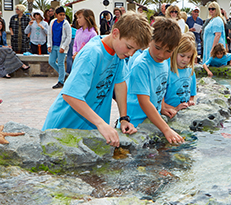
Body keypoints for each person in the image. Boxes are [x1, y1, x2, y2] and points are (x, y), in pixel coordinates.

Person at [43, 11, 152, 145]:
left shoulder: (118, 54)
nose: (130, 54)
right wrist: (101, 123)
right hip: (63, 128)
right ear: (116, 33)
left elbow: (120, 84)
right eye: (129, 47)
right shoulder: (92, 53)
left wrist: (124, 118)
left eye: (135, 50)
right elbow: (70, 95)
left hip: (90, 130)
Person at [126, 17, 184, 144]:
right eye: (157, 48)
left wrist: (162, 107)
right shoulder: (141, 65)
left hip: (153, 120)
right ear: (150, 41)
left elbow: (161, 87)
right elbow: (144, 102)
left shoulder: (164, 62)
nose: (161, 55)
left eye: (168, 51)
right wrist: (166, 129)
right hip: (136, 123)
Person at [164, 34, 198, 113]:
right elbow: (159, 102)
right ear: (175, 52)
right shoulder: (167, 71)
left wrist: (190, 101)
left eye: (189, 57)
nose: (185, 60)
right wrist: (174, 108)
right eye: (182, 56)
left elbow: (192, 94)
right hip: (169, 112)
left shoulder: (191, 72)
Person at [47, 6, 72, 89]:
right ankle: (64, 74)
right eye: (60, 15)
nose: (62, 16)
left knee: (61, 63)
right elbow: (49, 34)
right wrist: (49, 45)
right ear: (56, 15)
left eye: (64, 15)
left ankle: (61, 81)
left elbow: (68, 36)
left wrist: (63, 47)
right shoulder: (52, 22)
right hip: (54, 45)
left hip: (61, 47)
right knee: (51, 61)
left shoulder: (66, 24)